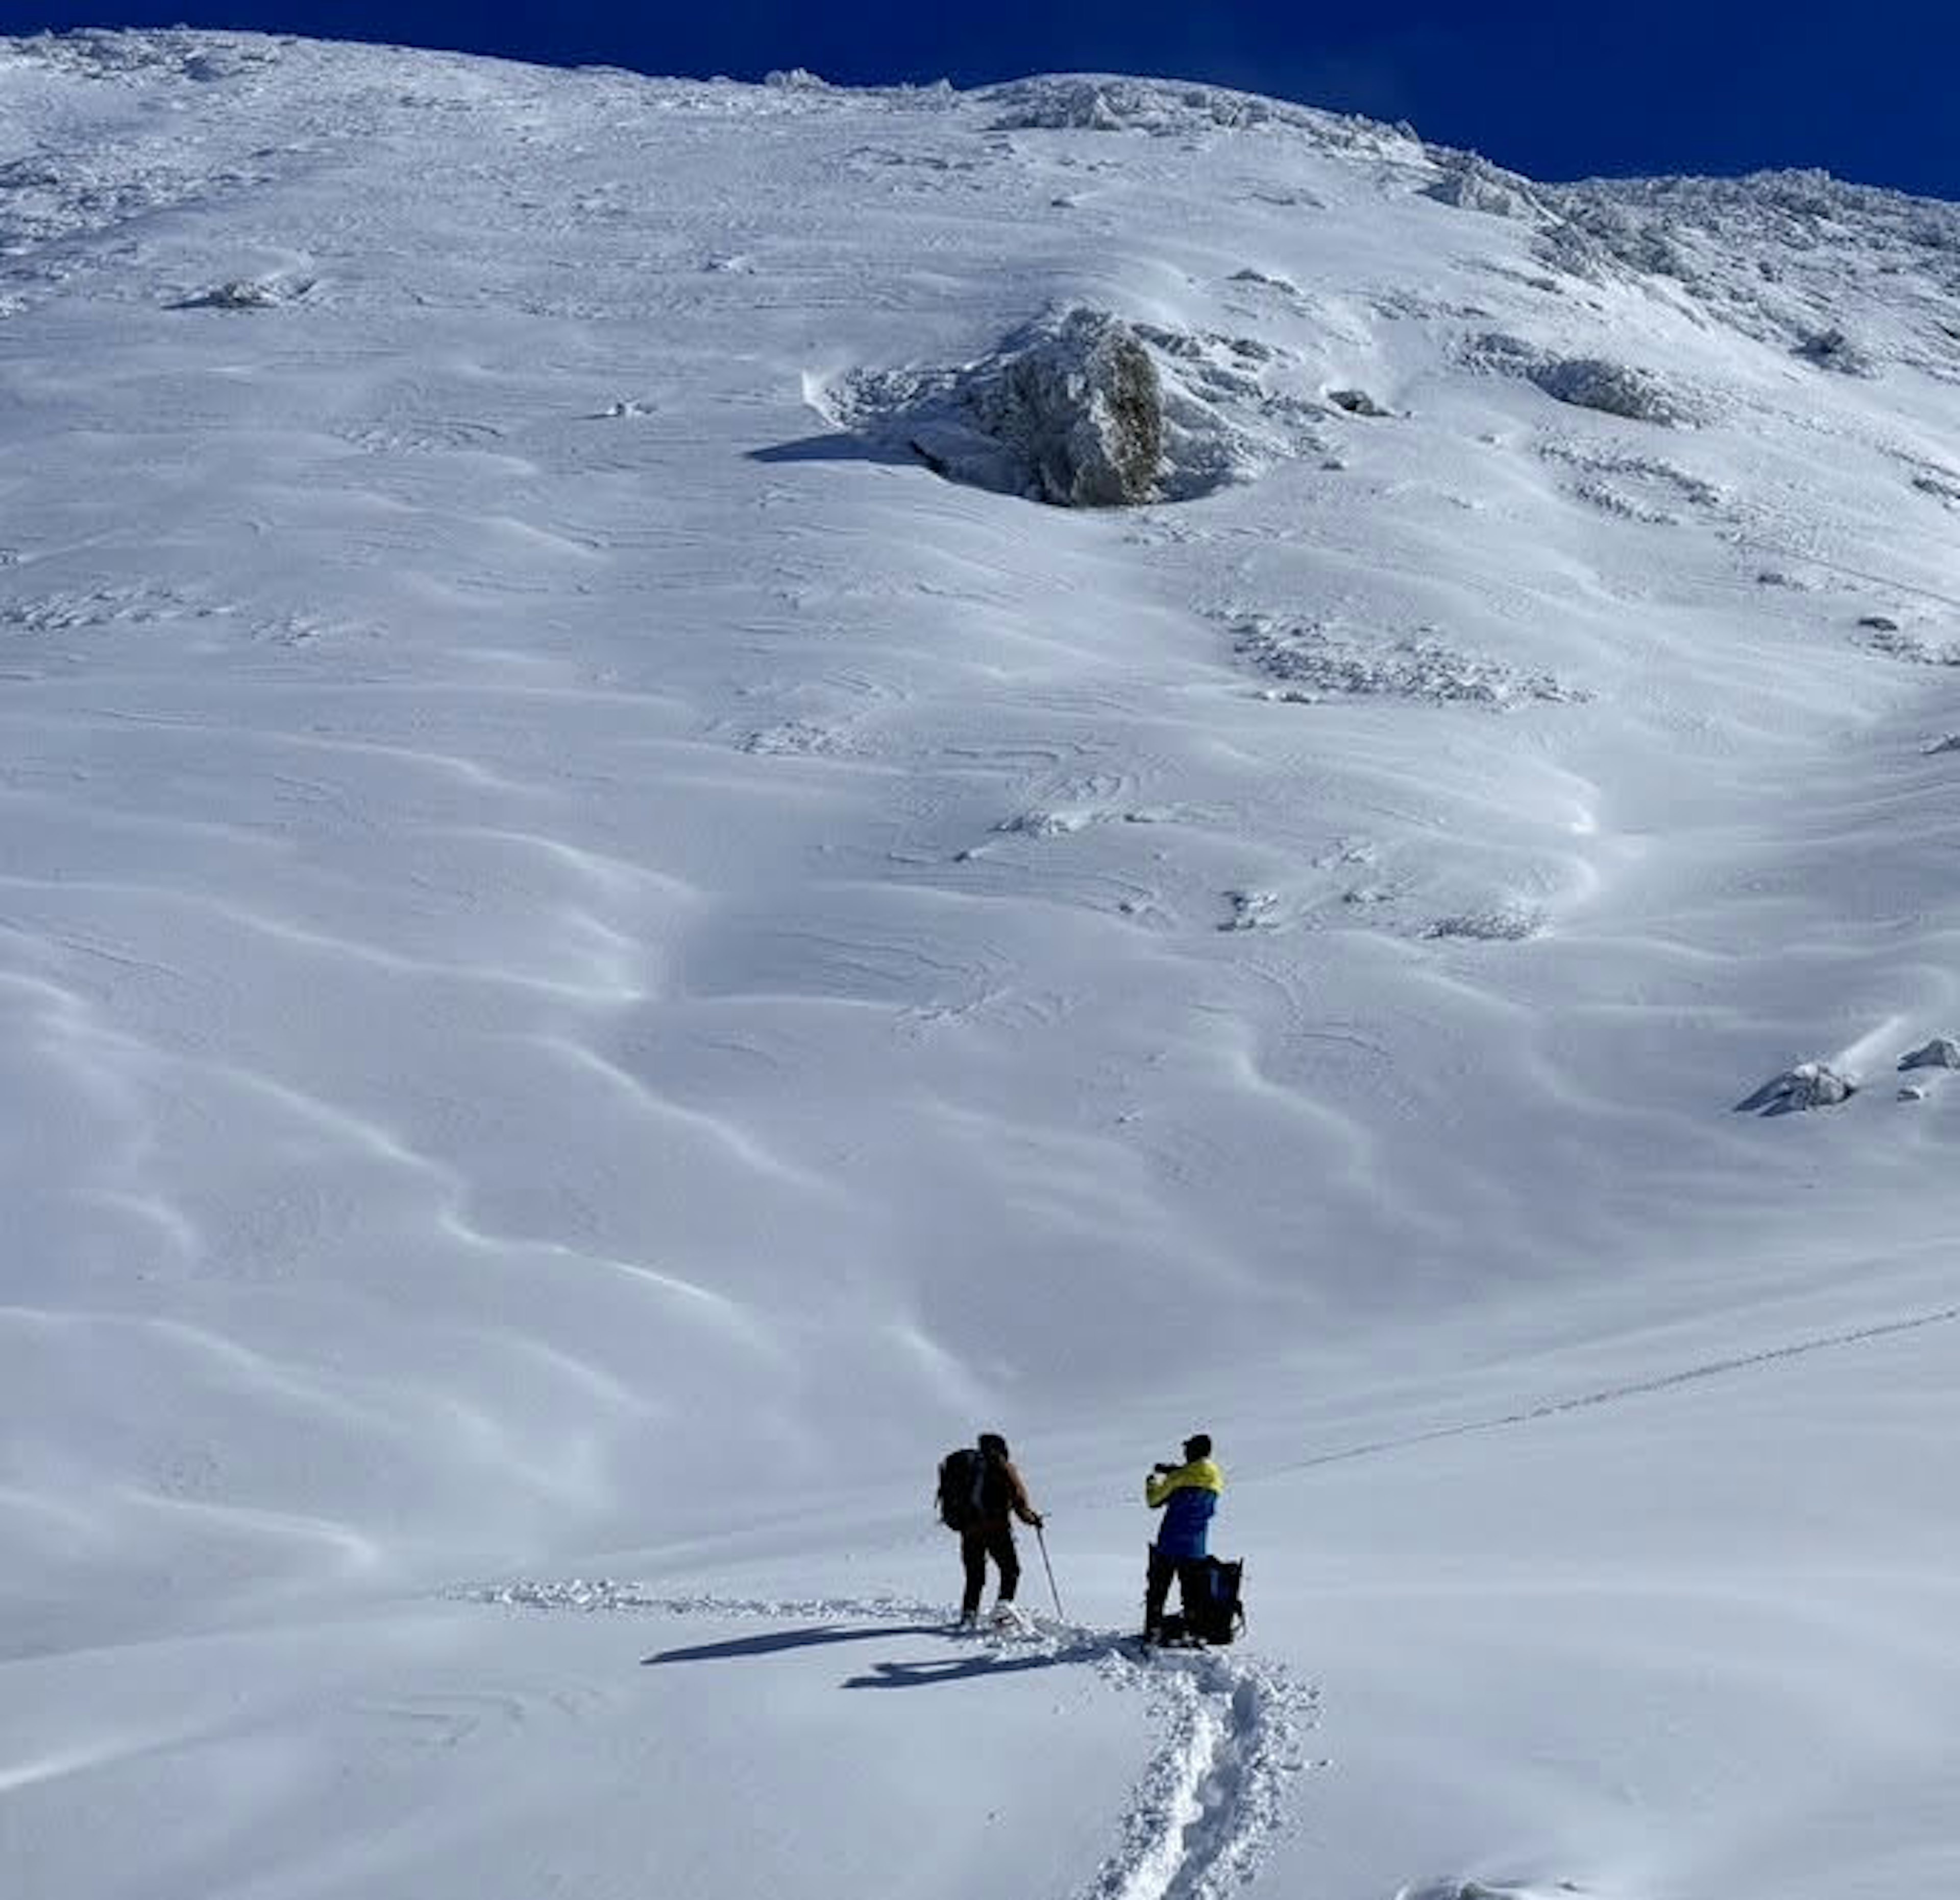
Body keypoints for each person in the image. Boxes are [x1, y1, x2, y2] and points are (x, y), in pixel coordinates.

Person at [958, 1431, 1044, 1628]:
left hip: (969, 1531)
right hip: (996, 1529)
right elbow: (1018, 1498)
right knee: (1011, 1570)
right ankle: (1002, 1614)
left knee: (975, 1576)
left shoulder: (969, 1468)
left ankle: (969, 1617)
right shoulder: (1002, 1466)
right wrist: (1032, 1519)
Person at [1143, 1432, 1223, 1640]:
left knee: (1158, 1590)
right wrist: (1175, 1470)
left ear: (1193, 1451)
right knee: (1192, 1594)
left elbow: (1154, 1501)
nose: (1184, 1452)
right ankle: (1192, 1631)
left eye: (1187, 1449)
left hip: (1169, 1543)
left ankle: (1153, 1630)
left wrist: (1152, 1482)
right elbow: (1196, 1476)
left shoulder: (1178, 1477)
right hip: (1196, 1547)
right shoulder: (1216, 1476)